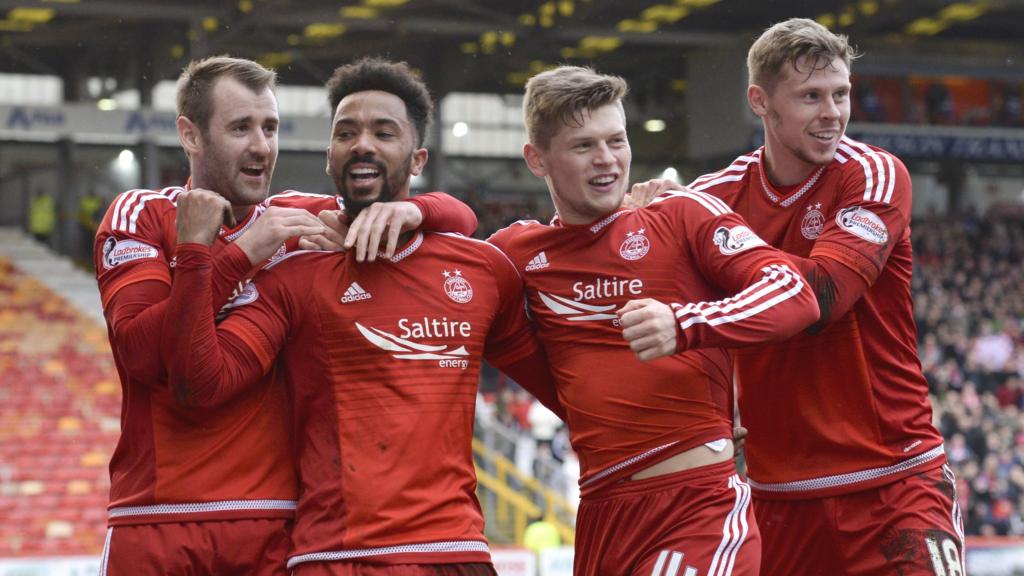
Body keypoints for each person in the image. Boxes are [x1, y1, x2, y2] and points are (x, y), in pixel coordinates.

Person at [162, 57, 563, 576]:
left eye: (383, 132)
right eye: (346, 133)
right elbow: (198, 383)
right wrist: (195, 253)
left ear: (417, 158)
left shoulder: (483, 269)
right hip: (337, 557)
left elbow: (561, 385)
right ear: (329, 158)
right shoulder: (292, 272)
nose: (362, 144)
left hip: (453, 555)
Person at [93, 55, 476, 575]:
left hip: (275, 527)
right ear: (191, 135)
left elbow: (459, 218)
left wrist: (417, 209)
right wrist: (233, 254)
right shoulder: (142, 213)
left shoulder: (296, 220)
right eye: (240, 128)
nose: (261, 146)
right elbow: (141, 355)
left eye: (269, 127)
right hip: (159, 518)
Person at [486, 66, 820, 575]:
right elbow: (445, 269)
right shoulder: (517, 254)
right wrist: (422, 210)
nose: (607, 159)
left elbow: (795, 292)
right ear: (537, 159)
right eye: (583, 147)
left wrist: (686, 323)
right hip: (601, 517)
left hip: (696, 509)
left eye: (616, 140)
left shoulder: (679, 216)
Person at [678, 18, 965, 575]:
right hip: (776, 498)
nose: (832, 112)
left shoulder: (874, 175)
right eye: (811, 96)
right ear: (759, 102)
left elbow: (823, 299)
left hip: (895, 483)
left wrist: (720, 241)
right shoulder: (712, 197)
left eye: (841, 94)